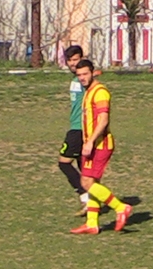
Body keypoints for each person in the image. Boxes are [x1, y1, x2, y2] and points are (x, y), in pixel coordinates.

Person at [71, 60, 132, 235]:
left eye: (85, 74)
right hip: (91, 144)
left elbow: (103, 120)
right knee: (92, 182)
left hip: (100, 145)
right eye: (79, 75)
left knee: (86, 182)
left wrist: (90, 141)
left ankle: (121, 207)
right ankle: (92, 223)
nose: (82, 78)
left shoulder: (100, 92)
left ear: (93, 73)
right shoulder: (89, 92)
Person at [58, 45, 91, 217]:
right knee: (83, 167)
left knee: (63, 163)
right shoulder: (75, 79)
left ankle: (86, 196)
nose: (72, 63)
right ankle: (90, 202)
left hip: (79, 129)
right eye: (69, 60)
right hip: (76, 127)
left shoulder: (85, 79)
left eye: (75, 59)